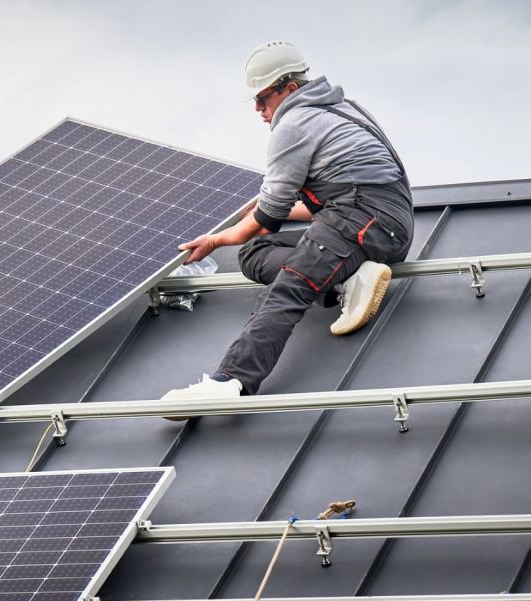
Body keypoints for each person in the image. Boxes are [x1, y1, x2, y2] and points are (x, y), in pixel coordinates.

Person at [163, 42, 414, 406]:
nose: (258, 109)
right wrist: (253, 211)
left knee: (288, 288)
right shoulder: (342, 108)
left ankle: (229, 381)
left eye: (263, 98)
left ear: (290, 89)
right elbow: (311, 206)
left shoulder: (294, 124)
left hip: (361, 218)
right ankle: (348, 276)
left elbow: (268, 220)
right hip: (386, 220)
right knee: (253, 253)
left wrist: (215, 241)